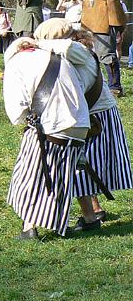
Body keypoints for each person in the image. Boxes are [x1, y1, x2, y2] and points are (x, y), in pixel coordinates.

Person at [33, 18, 132, 231]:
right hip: (81, 115)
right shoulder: (60, 54)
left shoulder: (76, 49)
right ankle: (92, 212)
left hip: (97, 116)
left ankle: (92, 214)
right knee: (80, 165)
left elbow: (65, 46)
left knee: (81, 167)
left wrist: (35, 44)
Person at [3, 35, 92, 239]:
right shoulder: (57, 57)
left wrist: (28, 121)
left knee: (28, 174)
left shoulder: (15, 64)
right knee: (61, 178)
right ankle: (57, 223)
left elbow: (16, 112)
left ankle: (29, 227)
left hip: (52, 127)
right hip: (80, 125)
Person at [77, 0, 127, 97]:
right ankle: (96, 84)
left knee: (106, 54)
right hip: (92, 18)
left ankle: (115, 87)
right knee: (89, 53)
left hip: (106, 17)